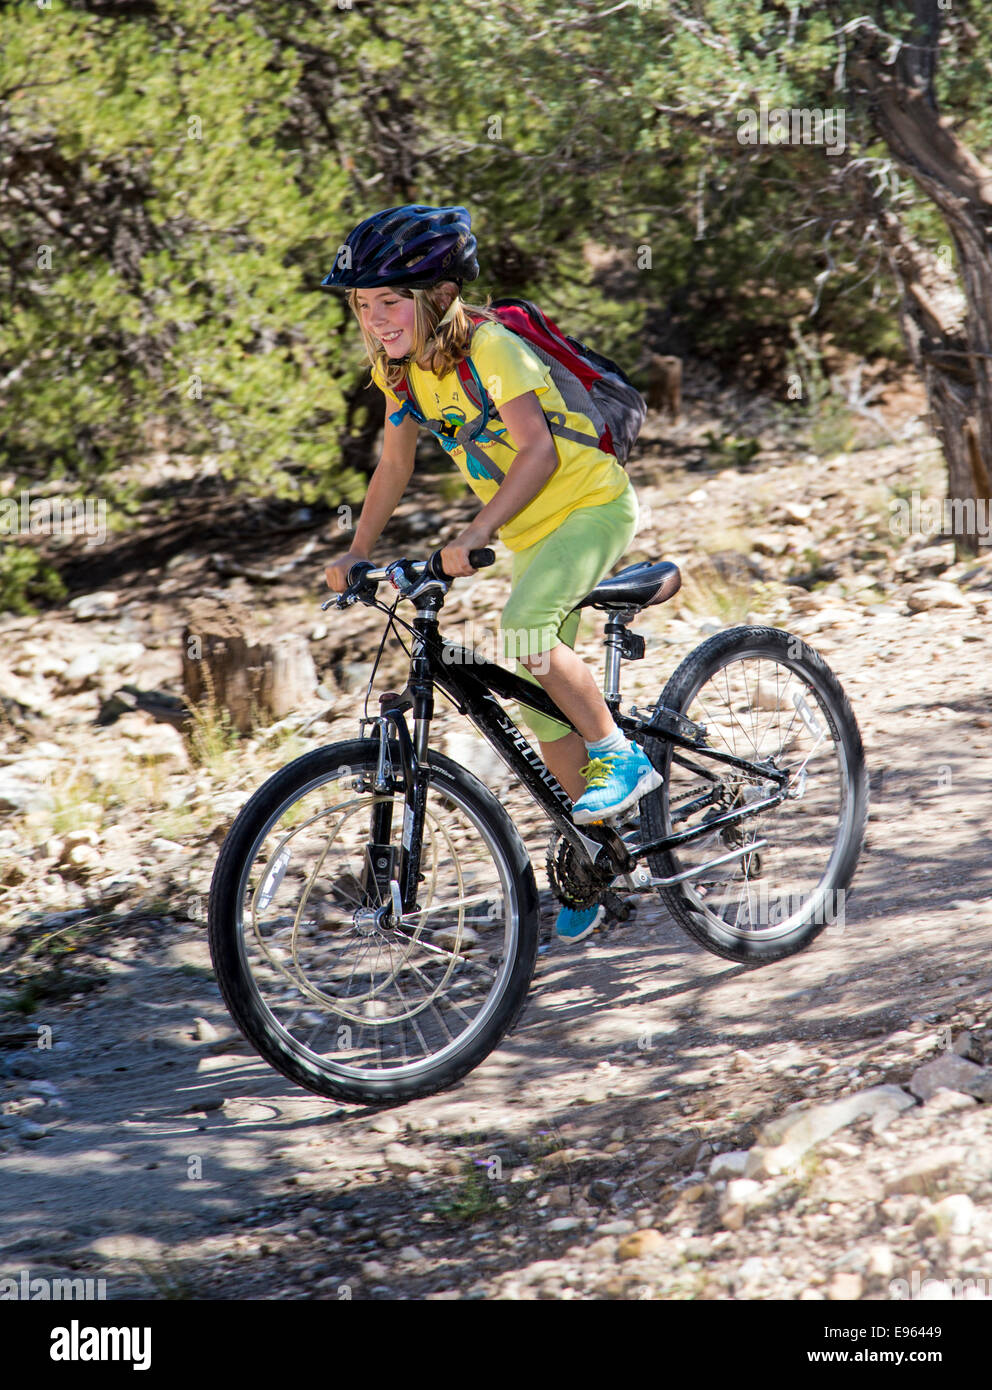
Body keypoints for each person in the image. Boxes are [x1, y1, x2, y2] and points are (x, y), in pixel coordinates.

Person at [323, 204, 661, 943]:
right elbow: (395, 461)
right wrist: (356, 550)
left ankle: (622, 756)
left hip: (589, 507)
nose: (377, 318)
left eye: (391, 300)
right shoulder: (398, 367)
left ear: (437, 296)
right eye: (363, 304)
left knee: (525, 630)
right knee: (541, 709)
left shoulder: (493, 346)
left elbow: (536, 452)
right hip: (533, 534)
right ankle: (599, 856)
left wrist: (474, 534)